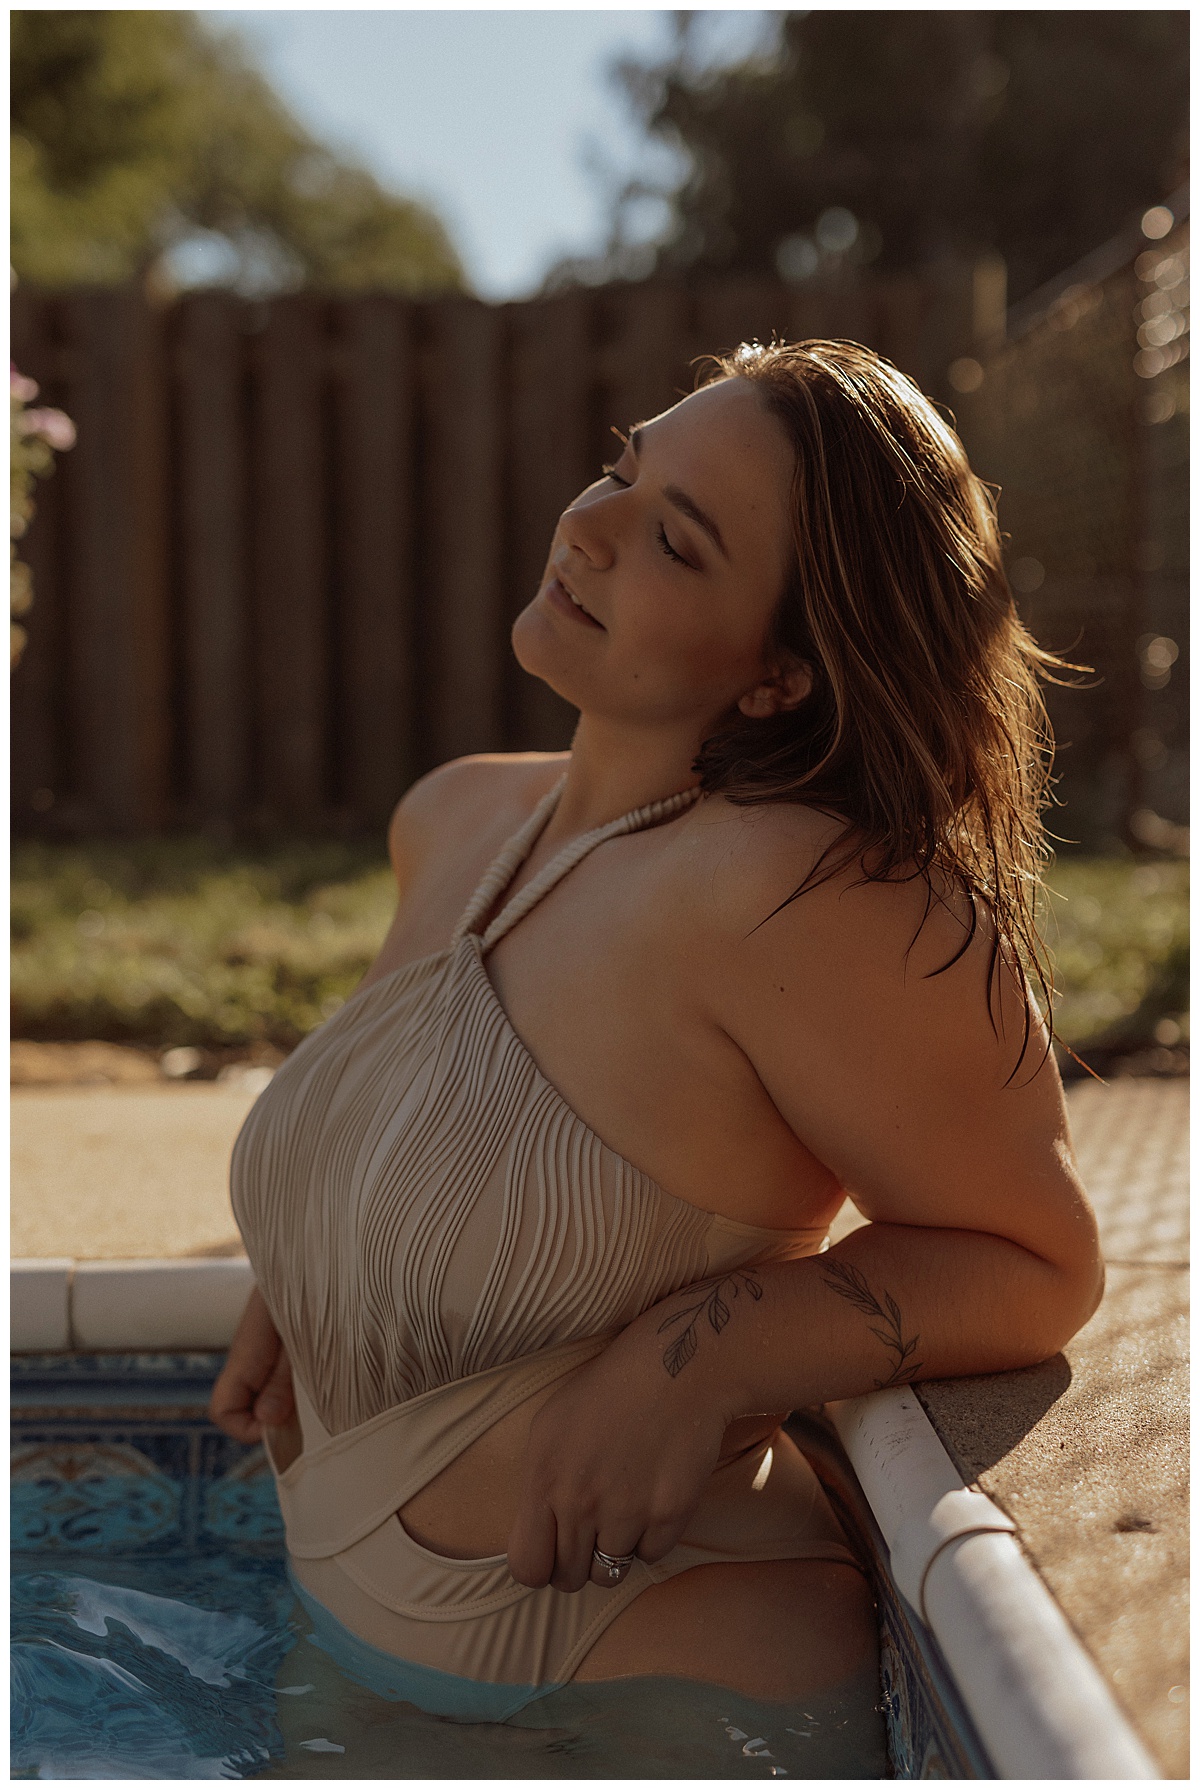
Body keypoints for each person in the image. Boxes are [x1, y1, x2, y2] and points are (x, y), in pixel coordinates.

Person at [212, 339, 1103, 1721]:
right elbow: (427, 1109)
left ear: (782, 674)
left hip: (639, 1685)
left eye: (676, 541)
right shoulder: (454, 819)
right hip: (341, 1650)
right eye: (624, 467)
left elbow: (1036, 1261)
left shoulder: (799, 894)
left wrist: (706, 1352)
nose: (587, 524)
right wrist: (324, 1253)